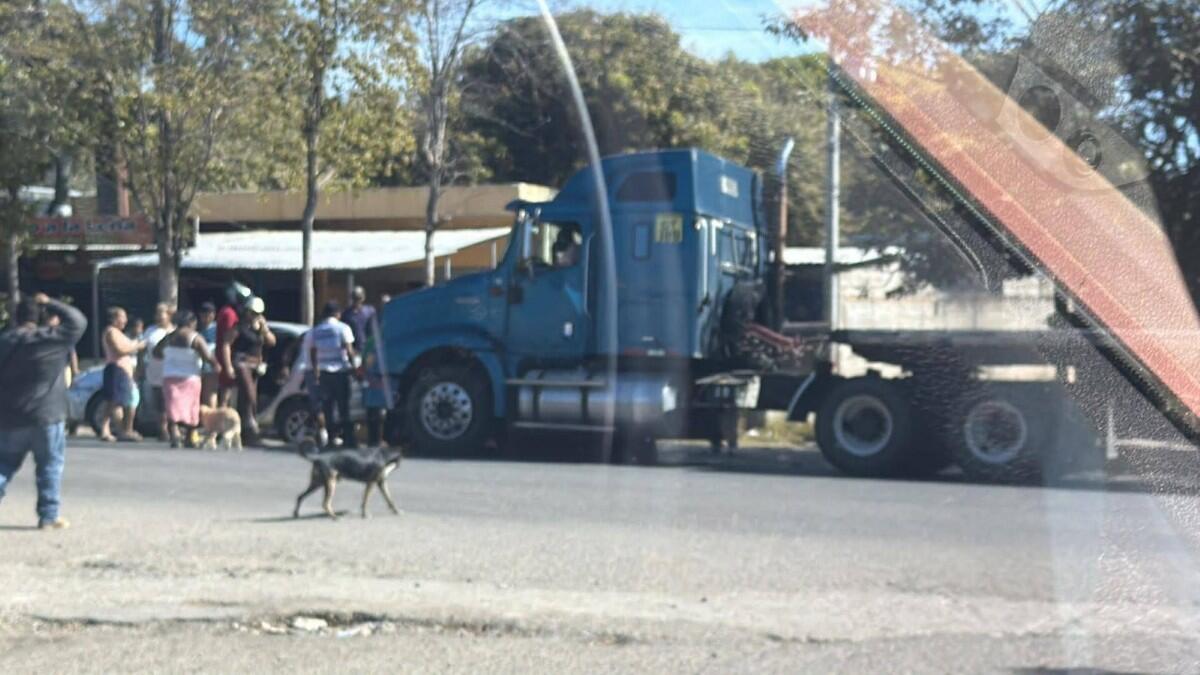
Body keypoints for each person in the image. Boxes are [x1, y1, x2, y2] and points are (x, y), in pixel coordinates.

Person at [0, 293, 87, 529]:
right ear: (40, 318)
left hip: (10, 415)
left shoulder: (5, 342)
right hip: (48, 414)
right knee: (49, 466)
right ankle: (48, 516)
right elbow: (78, 321)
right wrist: (50, 302)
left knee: (4, 464)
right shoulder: (53, 339)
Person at [153, 309, 217, 448]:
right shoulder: (195, 337)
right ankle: (189, 437)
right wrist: (216, 365)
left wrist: (170, 357)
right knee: (191, 406)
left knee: (172, 406)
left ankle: (174, 434)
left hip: (170, 376)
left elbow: (156, 353)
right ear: (191, 322)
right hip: (191, 377)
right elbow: (207, 356)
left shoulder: (169, 337)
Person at [302, 301, 356, 448]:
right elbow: (349, 350)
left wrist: (316, 371)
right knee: (343, 407)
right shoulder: (342, 328)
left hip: (324, 374)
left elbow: (313, 352)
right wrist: (355, 368)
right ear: (337, 314)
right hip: (340, 373)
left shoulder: (315, 331)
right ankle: (348, 439)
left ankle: (331, 439)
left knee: (328, 407)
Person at [231, 296, 275, 446]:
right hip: (242, 362)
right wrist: (228, 365)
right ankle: (252, 427)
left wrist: (264, 329)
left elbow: (271, 342)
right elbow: (226, 343)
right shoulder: (239, 327)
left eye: (257, 313)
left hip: (256, 364)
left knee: (247, 399)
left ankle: (244, 430)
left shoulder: (260, 328)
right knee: (250, 396)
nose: (254, 316)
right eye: (252, 313)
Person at [101, 307, 146, 442]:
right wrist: (137, 346)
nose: (125, 320)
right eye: (122, 317)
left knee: (123, 401)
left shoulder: (119, 333)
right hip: (116, 369)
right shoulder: (111, 332)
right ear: (114, 318)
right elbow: (119, 350)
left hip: (125, 371)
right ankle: (106, 428)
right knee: (113, 401)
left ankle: (124, 430)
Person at [141, 303, 175, 440]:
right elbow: (142, 349)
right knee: (158, 402)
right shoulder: (150, 330)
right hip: (154, 371)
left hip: (170, 371)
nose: (159, 318)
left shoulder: (174, 331)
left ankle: (172, 428)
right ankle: (162, 429)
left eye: (162, 314)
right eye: (157, 314)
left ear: (168, 316)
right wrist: (140, 367)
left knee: (170, 401)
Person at [217, 282, 251, 407]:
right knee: (226, 393)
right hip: (227, 359)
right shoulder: (229, 314)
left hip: (227, 358)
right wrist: (228, 365)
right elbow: (227, 342)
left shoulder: (227, 312)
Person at [340, 286, 376, 353]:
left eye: (359, 298)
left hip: (367, 348)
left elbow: (373, 331)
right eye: (355, 298)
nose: (357, 301)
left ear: (363, 298)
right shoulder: (346, 314)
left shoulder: (369, 311)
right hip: (352, 349)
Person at [197, 301, 219, 407]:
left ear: (213, 315)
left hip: (212, 366)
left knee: (210, 394)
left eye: (209, 313)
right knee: (201, 395)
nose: (206, 316)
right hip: (200, 367)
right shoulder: (198, 330)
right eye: (203, 313)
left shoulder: (217, 329)